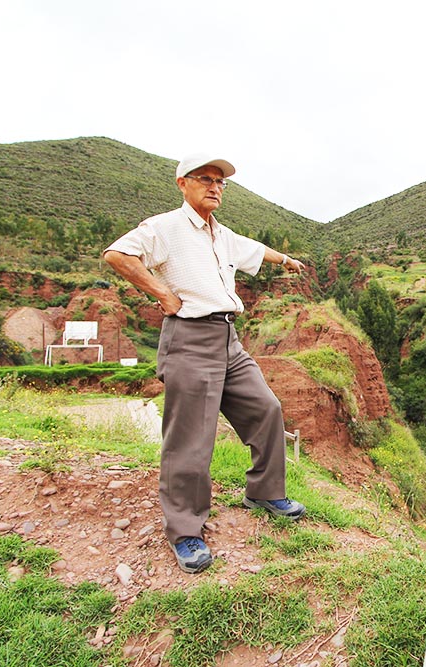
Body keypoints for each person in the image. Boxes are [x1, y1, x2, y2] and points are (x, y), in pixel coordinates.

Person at [103, 152, 307, 574]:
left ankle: (264, 492)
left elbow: (256, 250)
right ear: (183, 183)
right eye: (206, 179)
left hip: (228, 338)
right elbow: (118, 255)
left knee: (265, 408)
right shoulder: (165, 227)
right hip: (190, 338)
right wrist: (161, 293)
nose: (215, 186)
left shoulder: (221, 233)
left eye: (221, 181)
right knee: (192, 439)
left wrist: (285, 260)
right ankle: (185, 530)